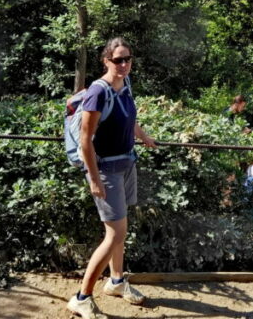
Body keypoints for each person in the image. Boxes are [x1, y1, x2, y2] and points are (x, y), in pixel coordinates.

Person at [70, 37, 157, 319]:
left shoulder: (125, 86)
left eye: (127, 58)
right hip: (105, 170)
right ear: (106, 61)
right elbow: (85, 140)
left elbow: (129, 120)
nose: (124, 64)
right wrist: (94, 179)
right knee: (114, 234)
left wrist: (144, 137)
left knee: (121, 229)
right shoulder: (98, 92)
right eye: (118, 59)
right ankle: (82, 297)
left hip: (126, 163)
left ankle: (116, 281)